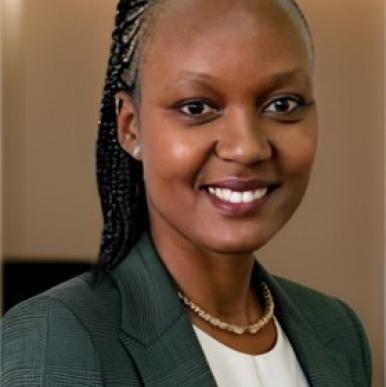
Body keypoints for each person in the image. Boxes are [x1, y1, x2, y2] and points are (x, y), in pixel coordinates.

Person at [1, 0, 372, 386]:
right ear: (130, 128)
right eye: (196, 107)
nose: (246, 147)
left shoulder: (337, 330)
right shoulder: (59, 334)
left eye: (282, 104)